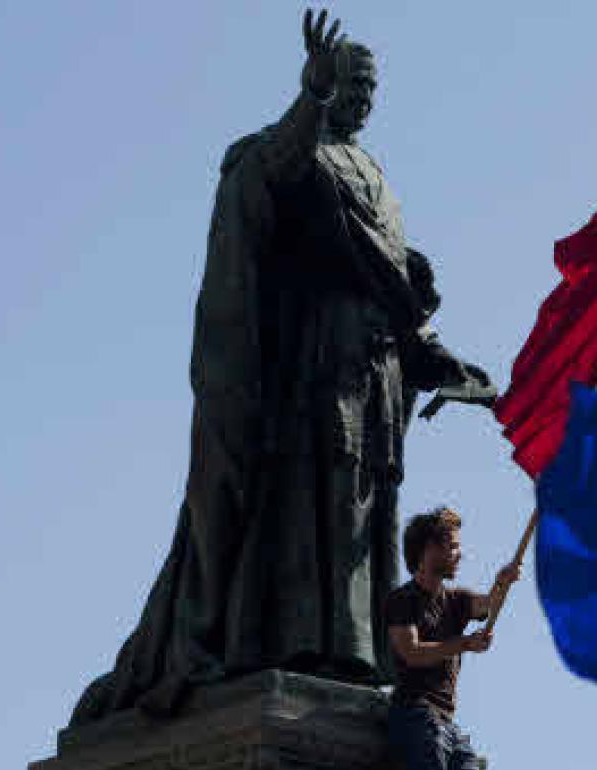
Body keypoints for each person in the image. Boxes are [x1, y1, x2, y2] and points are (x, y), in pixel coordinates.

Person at [70, 9, 494, 725]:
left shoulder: (376, 173)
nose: (361, 94)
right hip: (313, 357)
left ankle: (354, 650)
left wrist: (445, 365)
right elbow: (271, 175)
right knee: (314, 498)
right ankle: (302, 643)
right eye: (350, 81)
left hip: (377, 367)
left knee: (366, 507)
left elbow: (394, 284)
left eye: (369, 85)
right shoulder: (294, 150)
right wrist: (311, 97)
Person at [385, 507, 521, 770]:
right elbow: (412, 652)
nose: (461, 555)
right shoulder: (402, 600)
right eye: (454, 547)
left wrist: (502, 582)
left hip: (447, 723)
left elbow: (488, 605)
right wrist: (465, 644)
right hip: (415, 715)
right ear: (430, 549)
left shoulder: (456, 600)